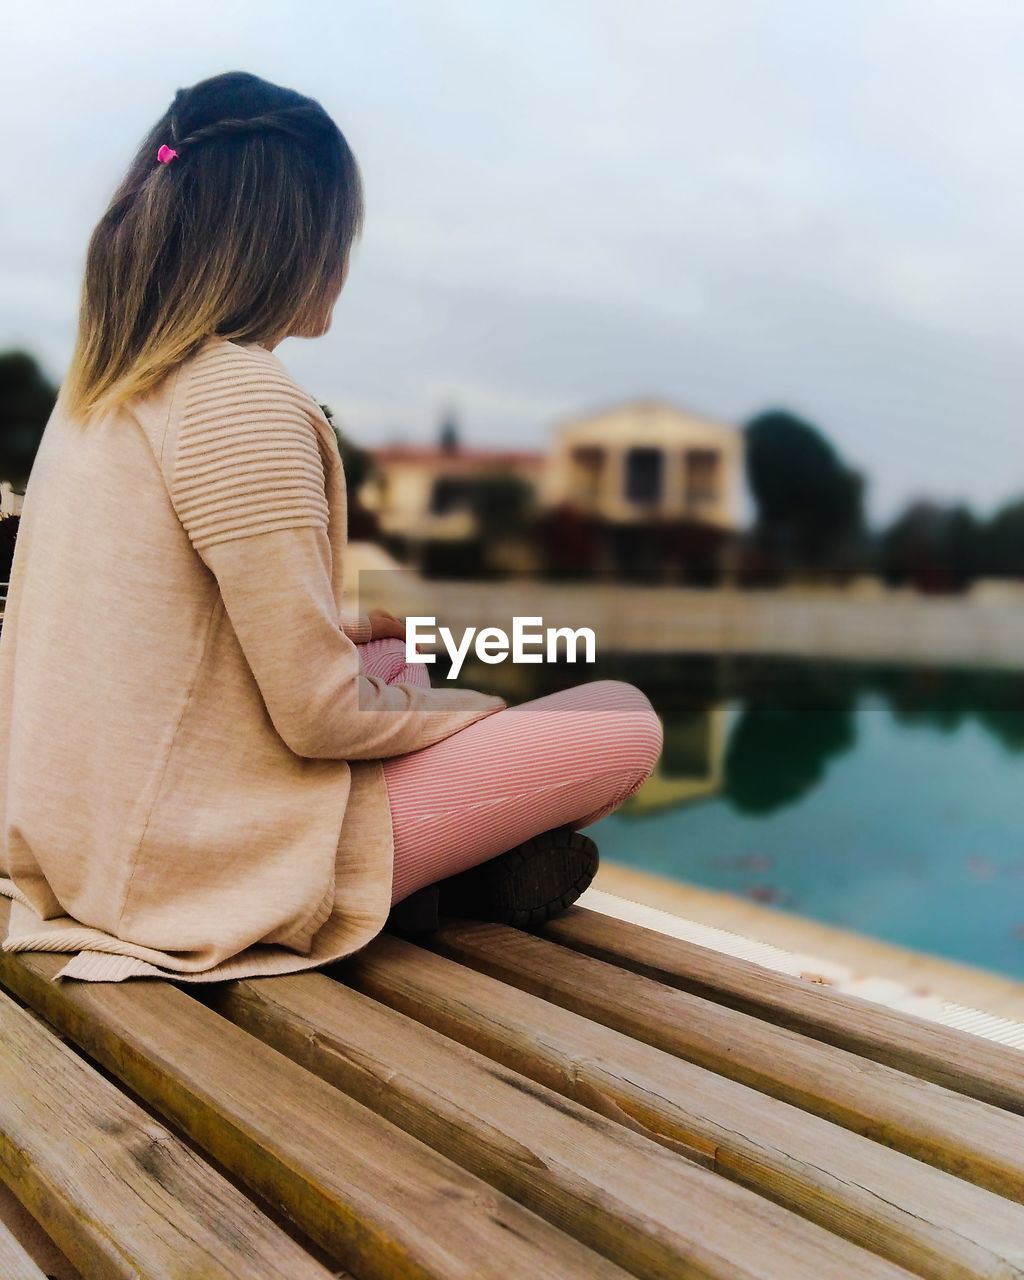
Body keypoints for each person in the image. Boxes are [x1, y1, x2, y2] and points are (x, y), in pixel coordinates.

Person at [0, 71, 662, 983]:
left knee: (393, 656)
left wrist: (355, 637)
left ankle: (455, 874)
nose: (345, 266)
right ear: (295, 244)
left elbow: (158, 627)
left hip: (83, 835)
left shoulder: (99, 397)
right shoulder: (238, 394)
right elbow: (317, 717)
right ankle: (423, 874)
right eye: (342, 237)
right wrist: (479, 718)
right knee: (623, 723)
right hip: (187, 867)